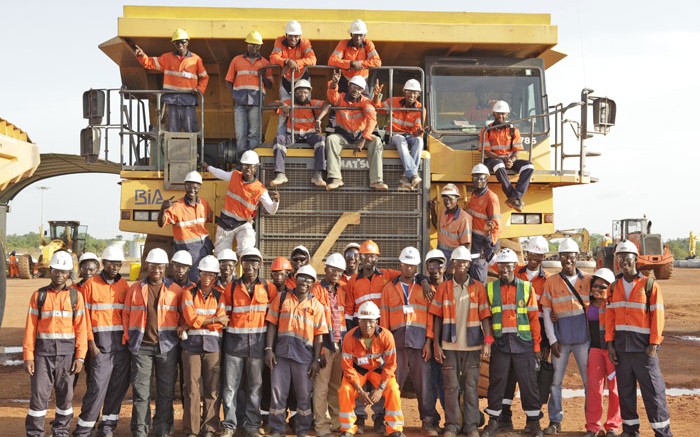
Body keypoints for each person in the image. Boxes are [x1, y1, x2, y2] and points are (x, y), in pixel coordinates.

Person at [606, 241, 673, 437]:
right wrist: (610, 343)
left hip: (644, 349)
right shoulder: (613, 287)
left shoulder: (649, 285)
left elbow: (657, 315)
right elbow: (609, 318)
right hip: (621, 349)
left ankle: (662, 432)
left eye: (627, 257)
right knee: (625, 392)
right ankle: (630, 430)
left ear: (635, 259)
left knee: (653, 392)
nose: (623, 261)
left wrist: (654, 343)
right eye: (619, 257)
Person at [23, 251, 87, 437]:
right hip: (42, 355)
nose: (60, 275)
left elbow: (81, 328)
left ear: (69, 274)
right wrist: (28, 356)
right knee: (39, 397)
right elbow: (30, 328)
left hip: (67, 355)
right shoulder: (39, 296)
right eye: (57, 271)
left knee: (65, 397)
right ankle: (35, 433)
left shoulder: (76, 297)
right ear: (51, 270)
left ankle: (61, 431)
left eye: (64, 272)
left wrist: (80, 357)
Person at [430, 246, 491, 437]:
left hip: (472, 346)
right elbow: (437, 317)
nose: (461, 265)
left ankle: (471, 425)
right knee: (451, 387)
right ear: (452, 265)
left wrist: (488, 342)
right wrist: (436, 344)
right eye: (458, 262)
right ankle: (452, 425)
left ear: (469, 264)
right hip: (449, 346)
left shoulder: (478, 288)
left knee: (471, 386)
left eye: (465, 262)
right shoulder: (444, 288)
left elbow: (485, 317)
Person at [481, 248, 543, 437]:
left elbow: (533, 318)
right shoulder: (490, 288)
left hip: (523, 344)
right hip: (500, 344)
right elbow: (487, 318)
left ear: (515, 267)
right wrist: (488, 341)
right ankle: (494, 421)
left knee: (528, 384)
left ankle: (533, 423)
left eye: (508, 266)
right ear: (497, 267)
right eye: (501, 266)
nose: (504, 270)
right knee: (497, 383)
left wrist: (537, 346)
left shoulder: (526, 288)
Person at [73, 246, 131, 437]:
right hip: (100, 346)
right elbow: (84, 318)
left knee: (117, 388)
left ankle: (107, 427)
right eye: (111, 263)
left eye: (118, 264)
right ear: (104, 264)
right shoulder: (91, 285)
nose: (114, 267)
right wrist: (91, 345)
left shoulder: (124, 286)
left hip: (121, 347)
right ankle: (83, 429)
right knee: (97, 388)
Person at [380, 247, 438, 436]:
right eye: (406, 265)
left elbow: (431, 317)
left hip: (420, 345)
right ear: (400, 265)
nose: (409, 269)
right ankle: (391, 423)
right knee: (393, 384)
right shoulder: (389, 288)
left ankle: (428, 422)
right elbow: (384, 320)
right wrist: (385, 347)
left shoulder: (425, 288)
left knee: (424, 385)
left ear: (417, 267)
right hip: (396, 345)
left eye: (413, 266)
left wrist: (429, 342)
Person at [123, 248, 181, 437]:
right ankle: (140, 431)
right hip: (142, 347)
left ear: (166, 267)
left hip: (167, 347)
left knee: (165, 392)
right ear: (147, 266)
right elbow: (126, 315)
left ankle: (163, 430)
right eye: (153, 265)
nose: (156, 269)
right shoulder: (135, 289)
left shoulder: (175, 290)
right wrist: (128, 337)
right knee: (141, 393)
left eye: (160, 266)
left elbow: (184, 315)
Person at [265, 265, 328, 437]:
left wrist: (316, 360)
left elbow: (319, 336)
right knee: (278, 394)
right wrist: (269, 349)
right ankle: (277, 429)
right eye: (302, 278)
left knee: (303, 395)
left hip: (304, 357)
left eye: (309, 279)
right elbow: (271, 324)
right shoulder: (282, 297)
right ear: (295, 279)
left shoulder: (317, 306)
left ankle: (302, 430)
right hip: (281, 355)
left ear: (313, 283)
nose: (304, 282)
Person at [221, 247, 277, 437]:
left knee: (255, 388)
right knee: (230, 389)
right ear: (241, 264)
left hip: (258, 347)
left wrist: (269, 347)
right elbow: (224, 315)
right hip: (234, 346)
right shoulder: (232, 287)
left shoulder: (269, 288)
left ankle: (252, 425)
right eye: (246, 262)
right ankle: (230, 425)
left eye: (254, 262)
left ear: (260, 265)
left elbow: (272, 320)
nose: (250, 266)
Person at [540, 238, 592, 435]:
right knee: (555, 382)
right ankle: (555, 420)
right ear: (559, 258)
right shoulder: (551, 282)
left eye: (570, 256)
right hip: (560, 341)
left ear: (577, 257)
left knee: (589, 383)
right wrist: (552, 340)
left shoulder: (588, 280)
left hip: (583, 341)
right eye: (563, 256)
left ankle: (591, 422)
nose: (567, 260)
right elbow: (546, 312)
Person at [500, 236, 551, 432]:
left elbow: (547, 310)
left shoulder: (547, 280)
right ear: (526, 253)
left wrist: (542, 343)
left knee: (532, 380)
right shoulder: (513, 271)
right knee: (508, 377)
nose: (535, 259)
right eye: (532, 254)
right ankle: (505, 417)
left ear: (543, 256)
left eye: (539, 256)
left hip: (536, 333)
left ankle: (533, 421)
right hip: (511, 333)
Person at [337, 301, 405, 437]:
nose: (367, 325)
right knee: (345, 390)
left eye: (371, 321)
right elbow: (347, 366)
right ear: (358, 321)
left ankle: (395, 429)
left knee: (392, 389)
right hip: (357, 372)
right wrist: (359, 390)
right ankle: (348, 429)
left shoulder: (387, 336)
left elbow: (390, 365)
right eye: (363, 321)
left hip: (378, 371)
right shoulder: (349, 338)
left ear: (377, 321)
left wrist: (380, 389)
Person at [180, 255, 228, 437]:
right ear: (198, 274)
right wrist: (213, 319)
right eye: (204, 274)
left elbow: (222, 323)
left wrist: (200, 322)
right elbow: (191, 318)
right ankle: (191, 430)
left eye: (211, 274)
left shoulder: (220, 295)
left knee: (212, 390)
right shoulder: (188, 293)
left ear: (215, 276)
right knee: (191, 390)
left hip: (213, 347)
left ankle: (209, 428)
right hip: (191, 347)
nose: (207, 277)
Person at [203, 150, 280, 254]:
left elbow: (271, 210)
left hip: (243, 223)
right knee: (221, 254)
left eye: (250, 166)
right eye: (245, 166)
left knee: (246, 251)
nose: (247, 169)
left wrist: (276, 201)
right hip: (226, 221)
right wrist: (208, 167)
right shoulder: (234, 176)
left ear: (255, 168)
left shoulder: (259, 189)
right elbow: (221, 174)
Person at [134, 28, 208, 132]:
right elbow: (151, 63)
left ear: (187, 42)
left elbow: (204, 77)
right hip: (172, 100)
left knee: (191, 130)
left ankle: (194, 148)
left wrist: (199, 89)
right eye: (177, 43)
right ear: (174, 44)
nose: (180, 45)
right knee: (172, 131)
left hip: (188, 101)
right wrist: (142, 57)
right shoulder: (167, 58)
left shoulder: (196, 60)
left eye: (183, 42)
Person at [325, 71, 387, 191]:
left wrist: (363, 138)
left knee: (377, 141)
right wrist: (334, 84)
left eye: (359, 88)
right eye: (354, 86)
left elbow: (372, 120)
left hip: (360, 135)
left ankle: (376, 180)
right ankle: (335, 178)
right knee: (331, 139)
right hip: (343, 134)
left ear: (363, 90)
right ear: (349, 86)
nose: (356, 90)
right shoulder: (340, 98)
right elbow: (332, 96)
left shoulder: (366, 102)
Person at [312, 253, 348, 437]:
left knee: (336, 386)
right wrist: (320, 349)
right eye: (332, 269)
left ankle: (335, 422)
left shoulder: (342, 290)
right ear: (325, 269)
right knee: (321, 387)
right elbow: (315, 320)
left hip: (339, 344)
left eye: (339, 270)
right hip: (325, 344)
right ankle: (321, 426)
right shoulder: (316, 289)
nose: (335, 273)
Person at [270, 79, 331, 188]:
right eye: (299, 92)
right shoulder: (289, 103)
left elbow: (327, 104)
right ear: (295, 92)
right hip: (292, 135)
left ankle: (317, 175)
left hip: (309, 136)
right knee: (279, 139)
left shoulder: (313, 103)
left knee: (321, 140)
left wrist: (319, 119)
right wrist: (281, 104)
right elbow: (271, 104)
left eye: (305, 92)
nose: (302, 94)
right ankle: (280, 174)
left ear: (309, 93)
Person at [583, 268, 621, 437]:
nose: (597, 289)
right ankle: (592, 427)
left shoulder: (616, 305)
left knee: (614, 389)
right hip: (595, 351)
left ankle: (612, 426)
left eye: (602, 287)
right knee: (594, 389)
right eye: (595, 286)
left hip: (613, 352)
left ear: (610, 288)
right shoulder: (586, 306)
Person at [158, 171, 214, 282]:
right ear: (185, 186)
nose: (192, 190)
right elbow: (161, 224)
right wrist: (162, 209)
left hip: (205, 247)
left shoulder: (204, 204)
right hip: (188, 251)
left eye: (195, 187)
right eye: (188, 186)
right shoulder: (177, 206)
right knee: (194, 281)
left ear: (199, 187)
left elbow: (210, 218)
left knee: (207, 279)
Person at [479, 100, 533, 212]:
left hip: (508, 160)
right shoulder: (486, 130)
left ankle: (515, 197)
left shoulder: (514, 130)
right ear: (493, 113)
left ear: (507, 114)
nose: (501, 116)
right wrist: (502, 159)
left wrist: (511, 161)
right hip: (492, 160)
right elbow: (487, 152)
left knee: (529, 166)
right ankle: (514, 198)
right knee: (498, 164)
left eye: (503, 113)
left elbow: (516, 151)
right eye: (498, 113)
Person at [226, 31, 274, 158]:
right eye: (252, 45)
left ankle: (253, 161)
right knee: (240, 134)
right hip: (240, 102)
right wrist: (234, 95)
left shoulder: (265, 63)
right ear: (247, 45)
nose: (254, 47)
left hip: (256, 102)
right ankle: (242, 162)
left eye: (257, 45)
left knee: (254, 133)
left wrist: (263, 77)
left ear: (260, 47)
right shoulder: (236, 60)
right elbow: (228, 80)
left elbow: (270, 85)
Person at [372, 79, 425, 190]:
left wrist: (417, 133)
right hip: (393, 135)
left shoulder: (421, 109)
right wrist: (376, 96)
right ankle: (413, 174)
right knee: (400, 139)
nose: (412, 95)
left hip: (410, 136)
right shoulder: (393, 101)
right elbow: (378, 108)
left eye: (415, 93)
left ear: (419, 94)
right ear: (404, 92)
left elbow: (416, 131)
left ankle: (407, 176)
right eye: (409, 92)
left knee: (419, 141)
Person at [270, 20, 317, 138]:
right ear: (286, 35)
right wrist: (286, 61)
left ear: (300, 36)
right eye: (291, 36)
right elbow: (273, 57)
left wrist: (296, 63)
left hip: (302, 82)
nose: (293, 39)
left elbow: (312, 60)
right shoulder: (279, 41)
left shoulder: (305, 43)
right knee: (283, 111)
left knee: (306, 109)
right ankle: (280, 138)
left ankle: (308, 136)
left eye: (296, 36)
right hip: (286, 81)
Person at [423, 249, 447, 429]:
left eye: (439, 264)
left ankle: (454, 419)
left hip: (452, 343)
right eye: (431, 265)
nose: (435, 269)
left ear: (445, 267)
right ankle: (431, 420)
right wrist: (431, 342)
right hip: (429, 344)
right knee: (430, 384)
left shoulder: (451, 286)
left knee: (449, 384)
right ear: (426, 267)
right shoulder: (422, 288)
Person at [466, 163, 500, 282]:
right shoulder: (474, 195)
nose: (478, 181)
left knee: (478, 272)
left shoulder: (491, 197)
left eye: (481, 178)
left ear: (487, 179)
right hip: (472, 239)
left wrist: (490, 245)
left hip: (482, 242)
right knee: (469, 270)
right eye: (476, 178)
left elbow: (495, 224)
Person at [328, 19, 382, 93]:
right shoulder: (343, 44)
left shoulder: (368, 44)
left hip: (362, 83)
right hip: (345, 81)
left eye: (361, 35)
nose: (358, 38)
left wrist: (360, 64)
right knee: (340, 103)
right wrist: (351, 63)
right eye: (356, 35)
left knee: (367, 103)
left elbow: (377, 62)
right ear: (351, 35)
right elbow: (332, 61)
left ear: (365, 35)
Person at [430, 183, 472, 263]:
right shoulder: (444, 212)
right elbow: (437, 226)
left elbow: (466, 245)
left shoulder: (464, 218)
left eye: (450, 199)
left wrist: (457, 263)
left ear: (457, 199)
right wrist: (432, 210)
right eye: (445, 199)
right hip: (441, 254)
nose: (447, 202)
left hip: (453, 257)